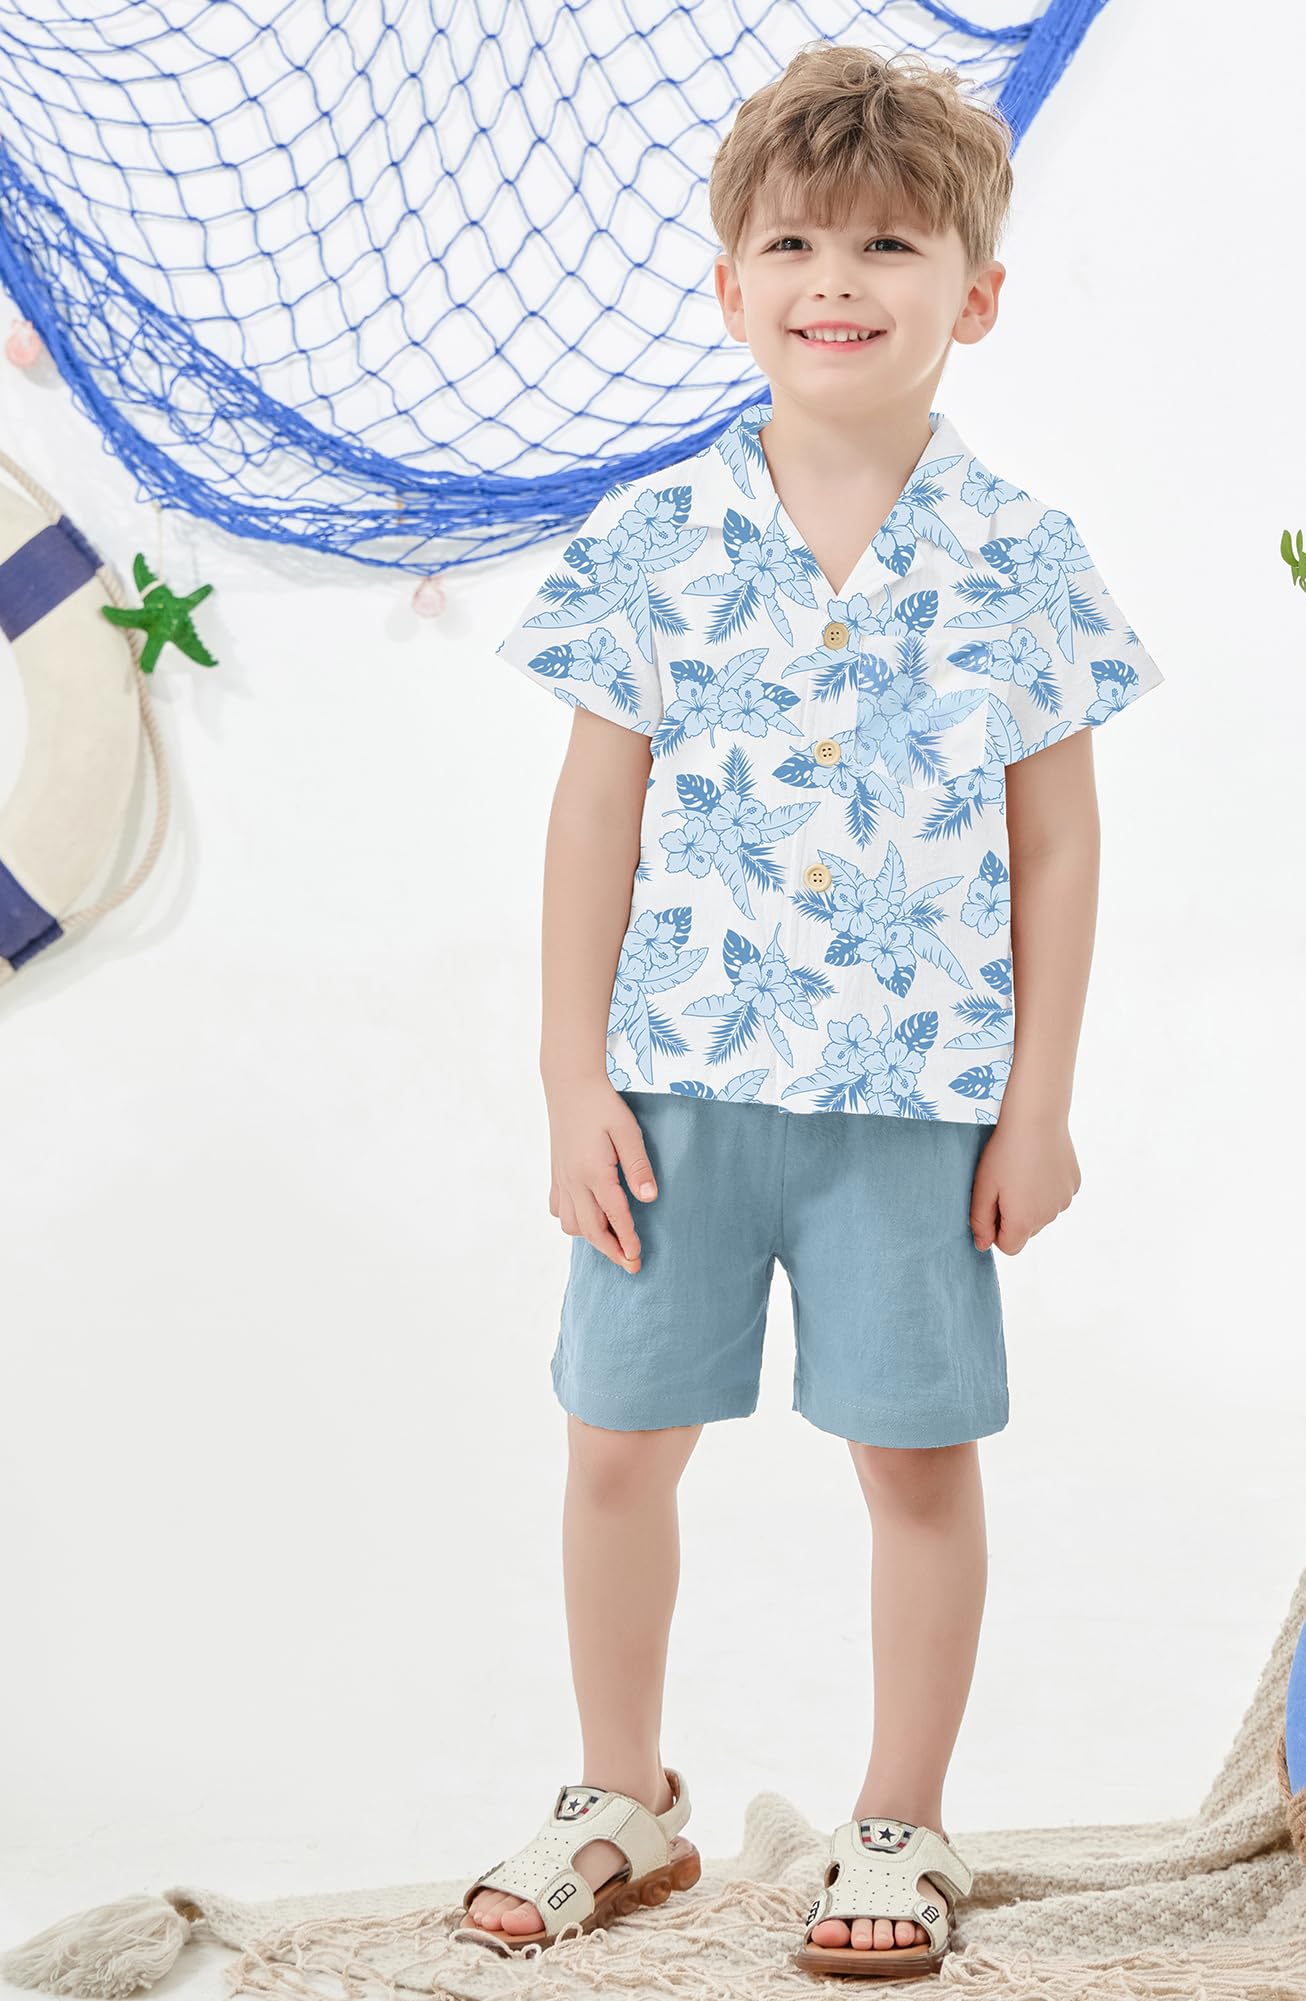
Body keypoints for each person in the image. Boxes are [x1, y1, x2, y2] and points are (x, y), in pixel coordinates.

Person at [457, 40, 1165, 1982]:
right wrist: (570, 1078)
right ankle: (620, 1795)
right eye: (791, 244)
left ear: (974, 294)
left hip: (915, 1104)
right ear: (730, 286)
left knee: (914, 1463)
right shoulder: (653, 539)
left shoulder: (1023, 557)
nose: (833, 279)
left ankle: (901, 1818)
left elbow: (1059, 847)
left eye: (885, 245)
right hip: (676, 1092)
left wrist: (1040, 1103)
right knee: (618, 1439)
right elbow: (592, 815)